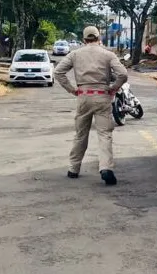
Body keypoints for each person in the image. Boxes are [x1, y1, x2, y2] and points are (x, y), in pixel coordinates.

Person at [54, 26, 128, 185]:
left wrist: (72, 90)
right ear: (98, 38)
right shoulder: (108, 54)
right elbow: (123, 74)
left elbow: (58, 72)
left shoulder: (75, 54)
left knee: (81, 134)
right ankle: (106, 168)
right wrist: (113, 87)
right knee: (104, 134)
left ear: (84, 39)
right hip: (102, 96)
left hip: (83, 96)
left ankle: (73, 168)